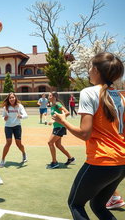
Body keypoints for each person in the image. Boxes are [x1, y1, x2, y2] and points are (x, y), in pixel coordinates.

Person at [52, 52, 125, 220]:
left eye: (91, 67)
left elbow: (85, 133)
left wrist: (63, 121)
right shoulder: (120, 97)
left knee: (75, 204)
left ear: (97, 71)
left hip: (102, 159)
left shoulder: (89, 92)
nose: (89, 71)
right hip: (121, 161)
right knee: (98, 206)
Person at [47, 91, 75, 169]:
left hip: (60, 127)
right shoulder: (52, 106)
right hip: (56, 127)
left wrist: (58, 119)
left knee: (50, 142)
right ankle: (71, 158)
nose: (48, 97)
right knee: (58, 145)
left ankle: (54, 162)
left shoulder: (57, 104)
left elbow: (67, 112)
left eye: (49, 96)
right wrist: (53, 121)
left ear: (54, 97)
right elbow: (56, 117)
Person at [0, 92, 28, 168]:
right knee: (8, 143)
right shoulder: (6, 107)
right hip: (8, 126)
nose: (11, 99)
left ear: (15, 98)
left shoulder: (19, 106)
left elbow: (26, 115)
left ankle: (24, 153)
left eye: (13, 97)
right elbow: (3, 116)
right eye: (10, 98)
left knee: (19, 144)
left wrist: (20, 116)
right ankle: (2, 160)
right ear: (8, 99)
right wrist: (4, 118)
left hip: (17, 126)